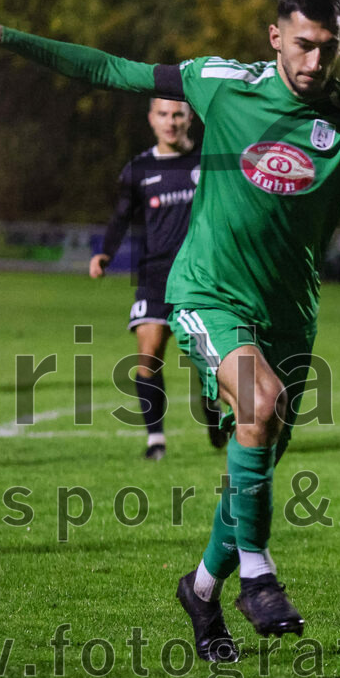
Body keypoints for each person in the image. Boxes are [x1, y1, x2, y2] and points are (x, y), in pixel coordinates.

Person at [0, 0, 340, 661]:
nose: (314, 62)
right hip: (208, 292)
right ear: (275, 37)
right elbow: (111, 70)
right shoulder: (221, 82)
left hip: (291, 315)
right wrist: (9, 36)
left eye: (328, 50)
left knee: (256, 455)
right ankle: (259, 575)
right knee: (259, 406)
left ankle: (203, 589)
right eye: (302, 45)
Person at [91, 97, 227, 458]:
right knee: (148, 356)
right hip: (155, 275)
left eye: (178, 114)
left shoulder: (207, 163)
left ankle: (214, 417)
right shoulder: (139, 169)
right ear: (151, 120)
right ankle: (156, 440)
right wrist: (104, 252)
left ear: (189, 119)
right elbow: (121, 215)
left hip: (202, 278)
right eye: (163, 115)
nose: (171, 121)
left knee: (206, 361)